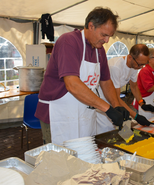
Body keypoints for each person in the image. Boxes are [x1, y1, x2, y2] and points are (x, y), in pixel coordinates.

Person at [35, 7, 130, 145]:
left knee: (84, 154)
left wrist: (116, 105)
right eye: (104, 35)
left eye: (109, 36)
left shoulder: (99, 50)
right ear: (91, 26)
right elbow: (72, 84)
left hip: (83, 113)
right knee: (60, 159)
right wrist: (107, 109)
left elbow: (105, 81)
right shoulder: (69, 42)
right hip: (58, 114)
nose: (107, 40)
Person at [95, 44, 154, 134]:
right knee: (107, 132)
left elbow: (134, 86)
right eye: (140, 64)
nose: (141, 67)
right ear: (130, 57)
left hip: (116, 103)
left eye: (143, 64)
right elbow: (116, 98)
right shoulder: (115, 67)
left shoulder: (134, 66)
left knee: (124, 132)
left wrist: (141, 103)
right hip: (104, 103)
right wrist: (135, 116)